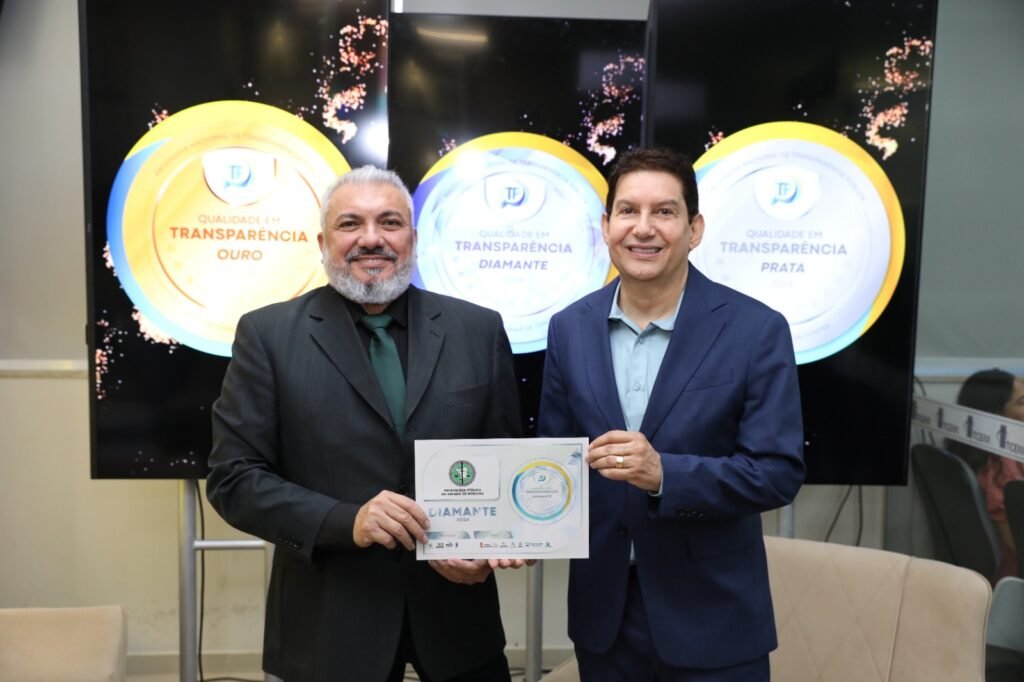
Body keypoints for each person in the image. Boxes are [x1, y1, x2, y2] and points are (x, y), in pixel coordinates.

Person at [206, 166, 524, 682]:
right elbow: (233, 479)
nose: (371, 239)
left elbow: (505, 462)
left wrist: (489, 546)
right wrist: (346, 521)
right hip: (329, 629)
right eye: (350, 223)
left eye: (389, 222)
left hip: (459, 625)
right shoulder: (267, 336)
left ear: (413, 238)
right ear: (323, 242)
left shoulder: (478, 329)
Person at [538, 148, 805, 681]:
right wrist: (516, 528)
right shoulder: (569, 328)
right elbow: (554, 461)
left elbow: (777, 472)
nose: (644, 228)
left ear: (694, 229)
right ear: (606, 227)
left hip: (714, 619)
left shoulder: (756, 330)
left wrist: (665, 475)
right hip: (605, 619)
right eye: (628, 211)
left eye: (664, 211)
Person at [947, 368, 1024, 579]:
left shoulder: (979, 455)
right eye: (1022, 402)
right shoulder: (1001, 468)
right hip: (1012, 577)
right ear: (997, 415)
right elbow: (1016, 542)